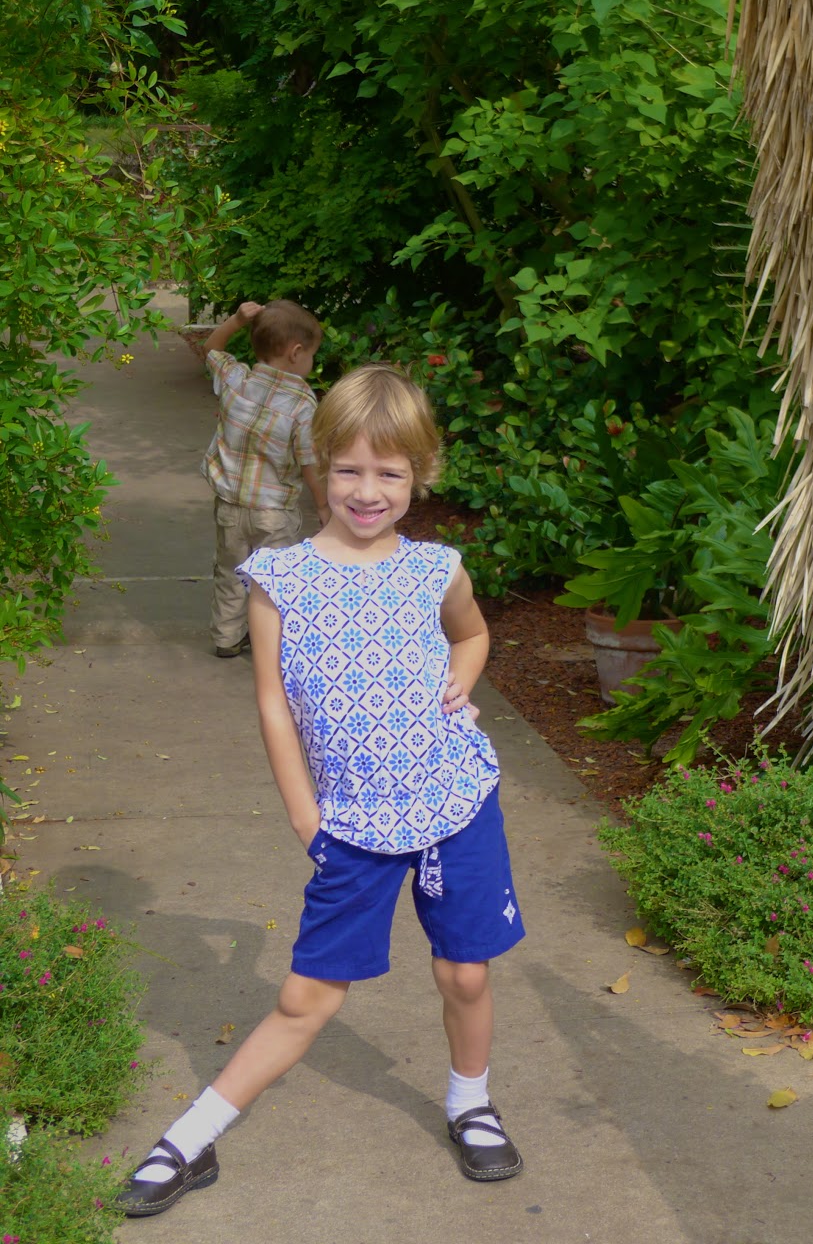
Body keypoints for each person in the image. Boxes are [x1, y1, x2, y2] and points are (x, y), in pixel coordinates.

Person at [118, 364, 524, 1219]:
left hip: (454, 803)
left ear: (420, 474)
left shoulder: (437, 567)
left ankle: (471, 1103)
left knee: (465, 973)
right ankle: (191, 1137)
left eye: (390, 473)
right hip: (351, 822)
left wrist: (463, 673)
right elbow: (273, 704)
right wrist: (307, 818)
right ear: (321, 465)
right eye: (349, 469)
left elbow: (473, 634)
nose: (367, 491)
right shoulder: (280, 578)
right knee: (307, 996)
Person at [201, 298, 328, 657]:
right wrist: (324, 506)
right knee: (275, 579)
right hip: (273, 514)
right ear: (296, 352)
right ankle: (271, 642)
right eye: (311, 355)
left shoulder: (236, 378)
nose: (311, 362)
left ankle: (226, 637)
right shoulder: (301, 403)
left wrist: (237, 320)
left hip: (230, 506)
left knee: (229, 572)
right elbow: (309, 461)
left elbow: (211, 347)